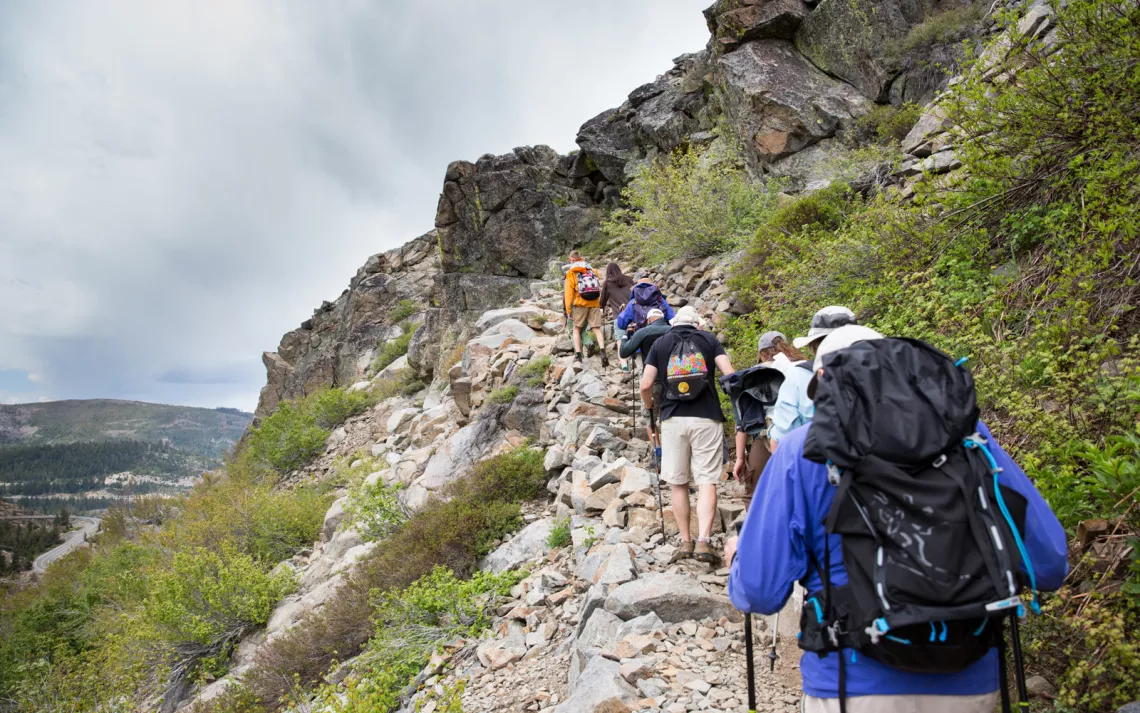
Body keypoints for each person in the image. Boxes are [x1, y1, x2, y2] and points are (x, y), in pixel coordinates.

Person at [725, 326, 1069, 713]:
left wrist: (739, 556)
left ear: (824, 380)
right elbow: (1049, 564)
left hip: (851, 683)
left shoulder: (802, 450)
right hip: (971, 679)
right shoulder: (971, 440)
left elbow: (759, 592)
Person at [641, 305, 735, 564]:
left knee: (678, 482)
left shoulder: (660, 342)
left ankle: (685, 541)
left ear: (673, 323)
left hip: (672, 417)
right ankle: (704, 542)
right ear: (698, 324)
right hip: (707, 416)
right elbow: (731, 375)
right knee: (706, 480)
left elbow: (646, 384)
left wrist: (650, 406)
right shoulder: (709, 339)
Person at [731, 331, 808, 504]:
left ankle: (758, 530)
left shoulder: (756, 374)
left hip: (768, 434)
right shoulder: (804, 367)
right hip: (805, 434)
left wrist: (740, 458)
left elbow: (743, 420)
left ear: (762, 353)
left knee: (752, 493)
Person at [768, 306, 858, 450]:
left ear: (813, 345)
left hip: (819, 462)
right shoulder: (880, 369)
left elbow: (781, 441)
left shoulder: (798, 376)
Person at [620, 308, 671, 443]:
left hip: (652, 381)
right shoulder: (672, 330)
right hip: (673, 380)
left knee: (650, 419)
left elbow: (624, 352)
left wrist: (626, 335)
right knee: (671, 417)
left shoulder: (643, 332)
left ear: (649, 320)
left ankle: (658, 453)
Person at [563, 250, 608, 367]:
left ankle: (578, 355)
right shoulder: (592, 270)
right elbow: (598, 288)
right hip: (594, 303)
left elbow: (568, 294)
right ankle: (603, 353)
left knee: (576, 329)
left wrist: (568, 310)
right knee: (597, 329)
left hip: (580, 304)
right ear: (581, 259)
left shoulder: (571, 272)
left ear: (571, 260)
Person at [600, 262, 636, 372]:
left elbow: (602, 302)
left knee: (620, 340)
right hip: (633, 313)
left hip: (619, 316)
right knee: (635, 337)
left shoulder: (607, 284)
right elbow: (636, 294)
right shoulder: (629, 279)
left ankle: (624, 367)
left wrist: (603, 309)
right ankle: (635, 360)